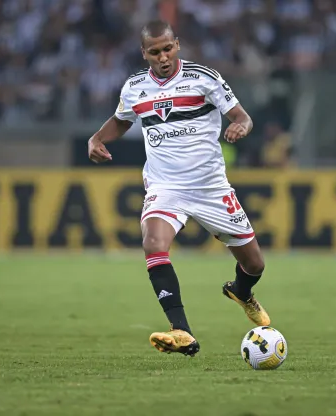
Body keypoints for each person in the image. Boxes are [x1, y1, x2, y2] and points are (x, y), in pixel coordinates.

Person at [87, 20, 270, 357]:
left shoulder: (204, 78)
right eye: (155, 52)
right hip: (165, 184)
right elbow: (121, 119)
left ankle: (242, 292)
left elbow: (242, 116)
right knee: (153, 242)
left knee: (255, 264)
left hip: (211, 186)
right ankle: (181, 331)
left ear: (177, 45)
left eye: (168, 48)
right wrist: (97, 137)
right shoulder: (135, 87)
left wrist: (240, 127)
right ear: (144, 53)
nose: (163, 56)